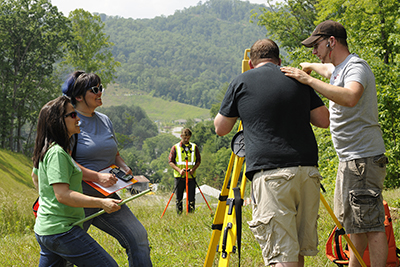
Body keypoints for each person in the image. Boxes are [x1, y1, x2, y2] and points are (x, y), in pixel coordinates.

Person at [281, 20, 388, 267]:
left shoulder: (356, 67)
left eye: (316, 46)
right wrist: (310, 66)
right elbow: (328, 71)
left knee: (371, 225)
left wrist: (307, 81)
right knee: (354, 223)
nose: (313, 51)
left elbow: (350, 96)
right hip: (351, 159)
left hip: (362, 159)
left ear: (331, 42)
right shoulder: (338, 69)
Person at [214, 39, 330, 267]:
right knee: (295, 251)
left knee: (280, 255)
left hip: (272, 176)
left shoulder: (241, 81)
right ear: (279, 61)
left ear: (250, 63)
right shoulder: (297, 78)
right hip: (307, 172)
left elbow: (221, 128)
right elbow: (323, 120)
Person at [62, 71, 152, 267]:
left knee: (138, 237)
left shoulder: (105, 120)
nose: (100, 92)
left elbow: (115, 154)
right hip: (80, 196)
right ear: (78, 96)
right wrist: (97, 177)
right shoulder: (70, 120)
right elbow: (65, 162)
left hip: (107, 194)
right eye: (94, 89)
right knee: (66, 255)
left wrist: (124, 167)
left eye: (100, 88)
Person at [32, 95, 121, 266]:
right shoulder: (57, 153)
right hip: (61, 232)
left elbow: (35, 176)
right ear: (57, 121)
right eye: (72, 115)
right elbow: (63, 195)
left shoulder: (49, 150)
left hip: (46, 229)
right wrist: (101, 203)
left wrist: (47, 202)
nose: (78, 118)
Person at [168, 128, 201, 214]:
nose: (186, 140)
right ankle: (179, 215)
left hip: (191, 176)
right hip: (179, 176)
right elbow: (170, 162)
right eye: (185, 138)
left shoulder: (194, 147)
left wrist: (193, 169)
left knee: (191, 198)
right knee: (179, 198)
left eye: (188, 138)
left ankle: (191, 215)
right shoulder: (175, 147)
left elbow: (198, 161)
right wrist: (179, 170)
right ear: (181, 136)